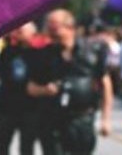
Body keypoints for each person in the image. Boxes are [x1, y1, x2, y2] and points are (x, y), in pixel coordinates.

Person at [27, 9, 113, 155]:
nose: (50, 33)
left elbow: (106, 85)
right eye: (48, 28)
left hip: (82, 120)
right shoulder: (43, 55)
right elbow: (30, 87)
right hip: (52, 121)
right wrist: (44, 90)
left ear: (70, 28)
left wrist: (106, 119)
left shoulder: (93, 51)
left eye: (54, 28)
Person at [0, 23, 38, 155]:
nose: (17, 32)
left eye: (21, 30)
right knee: (2, 143)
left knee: (27, 146)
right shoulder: (7, 52)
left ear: (32, 33)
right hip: (6, 107)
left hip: (30, 108)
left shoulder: (38, 53)